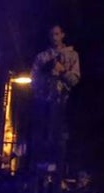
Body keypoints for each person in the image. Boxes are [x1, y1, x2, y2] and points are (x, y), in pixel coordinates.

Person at [30, 24, 81, 171]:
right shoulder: (42, 57)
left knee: (58, 134)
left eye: (57, 34)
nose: (54, 38)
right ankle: (42, 160)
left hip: (62, 100)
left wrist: (62, 71)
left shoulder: (72, 55)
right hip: (45, 100)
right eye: (52, 34)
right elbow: (34, 79)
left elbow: (75, 79)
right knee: (43, 132)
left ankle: (56, 162)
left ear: (63, 35)